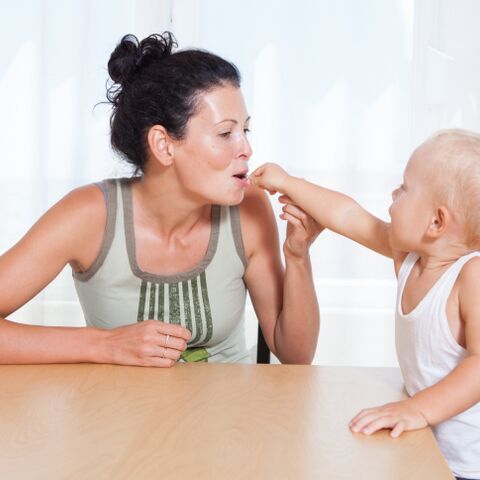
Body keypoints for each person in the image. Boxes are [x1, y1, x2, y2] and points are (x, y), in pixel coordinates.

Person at [0, 32, 322, 367]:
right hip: (118, 413)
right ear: (164, 145)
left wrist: (297, 255)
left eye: (246, 130)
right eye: (226, 133)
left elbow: (296, 355)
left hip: (231, 415)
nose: (246, 149)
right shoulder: (89, 215)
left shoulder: (250, 208)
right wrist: (103, 345)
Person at [250, 129, 480, 480]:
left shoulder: (471, 276)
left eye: (404, 189)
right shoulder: (409, 258)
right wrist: (287, 182)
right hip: (422, 447)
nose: (392, 193)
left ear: (436, 221)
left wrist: (416, 409)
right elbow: (345, 215)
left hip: (467, 463)